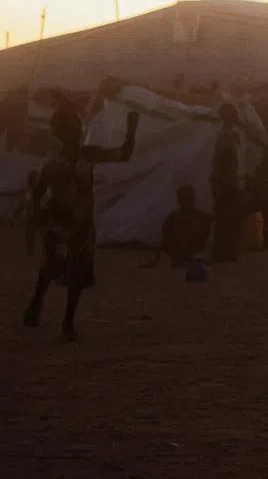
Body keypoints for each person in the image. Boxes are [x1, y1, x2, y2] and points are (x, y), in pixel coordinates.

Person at [23, 97, 139, 338]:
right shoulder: (54, 163)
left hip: (82, 224)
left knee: (78, 271)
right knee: (53, 265)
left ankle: (66, 320)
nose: (78, 129)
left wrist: (132, 129)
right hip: (58, 222)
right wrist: (38, 223)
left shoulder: (87, 154)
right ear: (62, 132)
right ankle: (40, 303)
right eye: (73, 125)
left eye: (78, 124)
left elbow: (124, 155)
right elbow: (37, 195)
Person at [144, 185, 213, 269]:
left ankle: (185, 260)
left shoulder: (199, 216)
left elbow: (202, 235)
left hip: (190, 247)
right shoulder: (175, 216)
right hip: (180, 247)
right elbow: (164, 235)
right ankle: (183, 260)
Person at [211, 104, 247, 263]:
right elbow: (222, 160)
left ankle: (226, 251)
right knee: (228, 217)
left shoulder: (227, 136)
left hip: (226, 181)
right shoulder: (228, 137)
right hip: (227, 182)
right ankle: (226, 251)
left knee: (227, 217)